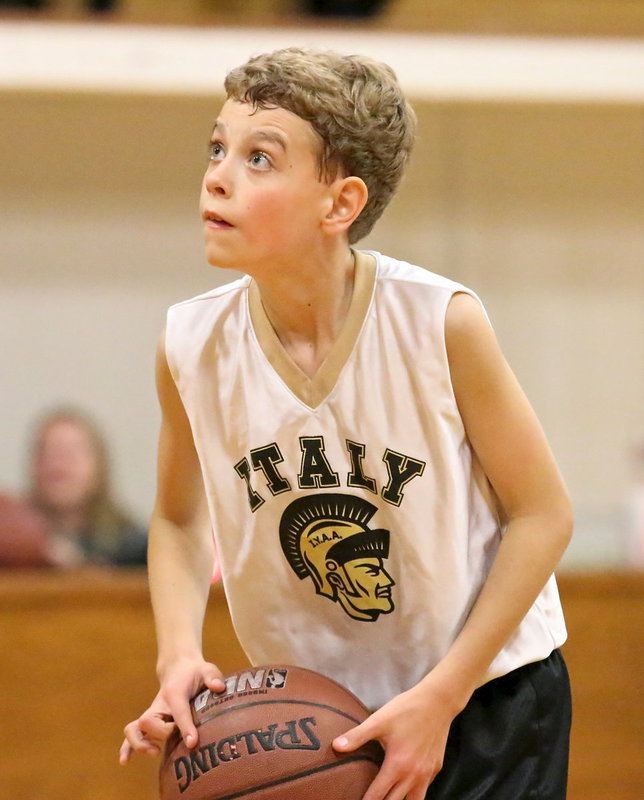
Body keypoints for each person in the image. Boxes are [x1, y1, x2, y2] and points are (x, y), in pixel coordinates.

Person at [120, 48, 573, 799]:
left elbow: (543, 515)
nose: (218, 176)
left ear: (340, 205)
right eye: (217, 148)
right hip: (315, 718)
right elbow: (177, 519)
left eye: (259, 158)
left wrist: (445, 695)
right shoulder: (189, 344)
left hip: (484, 695)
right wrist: (178, 657)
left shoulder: (439, 322)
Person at [26, 407, 147, 567]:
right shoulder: (12, 543)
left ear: (99, 465)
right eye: (46, 451)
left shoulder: (136, 549)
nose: (58, 462)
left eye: (70, 452)